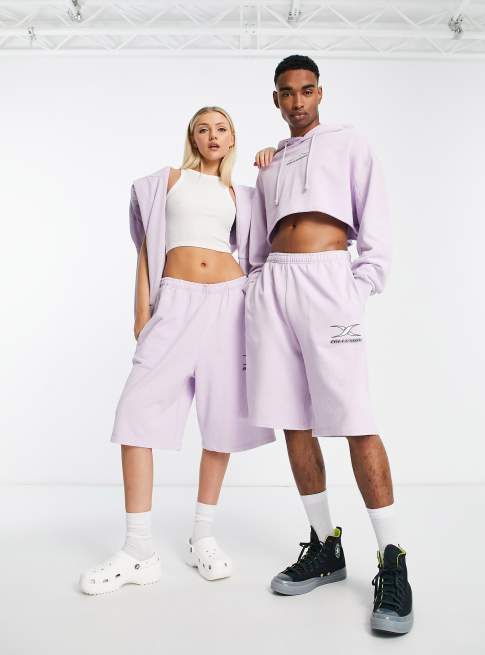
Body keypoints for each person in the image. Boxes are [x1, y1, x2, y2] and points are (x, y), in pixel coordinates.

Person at [247, 55, 413, 634]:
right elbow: (257, 239)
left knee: (355, 419)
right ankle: (325, 546)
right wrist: (257, 286)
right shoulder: (269, 165)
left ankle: (392, 560)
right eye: (287, 92)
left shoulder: (349, 142)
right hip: (276, 284)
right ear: (276, 99)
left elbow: (376, 221)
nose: (297, 100)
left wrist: (358, 285)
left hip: (329, 282)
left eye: (307, 90)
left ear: (321, 92)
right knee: (294, 421)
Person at [79, 106, 275, 595]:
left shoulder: (243, 194)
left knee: (222, 421)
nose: (213, 135)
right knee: (135, 415)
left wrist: (275, 158)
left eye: (222, 128)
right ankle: (138, 549)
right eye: (203, 129)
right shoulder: (166, 181)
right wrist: (141, 312)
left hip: (229, 304)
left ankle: (202, 536)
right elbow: (146, 249)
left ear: (233, 138)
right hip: (175, 302)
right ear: (192, 137)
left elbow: (274, 227)